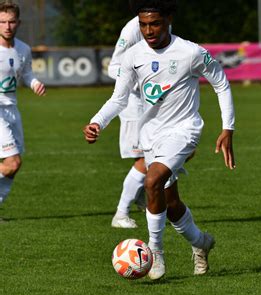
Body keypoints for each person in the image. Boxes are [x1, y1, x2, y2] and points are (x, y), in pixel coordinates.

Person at [83, 0, 235, 280]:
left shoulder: (190, 52)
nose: (148, 30)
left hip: (184, 130)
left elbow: (221, 83)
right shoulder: (133, 56)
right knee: (170, 202)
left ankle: (155, 253)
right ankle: (201, 243)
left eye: (154, 23)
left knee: (151, 180)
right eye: (143, 24)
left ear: (168, 20)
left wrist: (228, 128)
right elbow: (119, 98)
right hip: (151, 135)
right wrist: (97, 122)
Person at [0, 1, 46, 216]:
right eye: (2, 22)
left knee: (14, 166)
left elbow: (26, 73)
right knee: (12, 161)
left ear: (18, 22)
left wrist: (34, 83)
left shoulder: (23, 49)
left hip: (12, 110)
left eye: (11, 21)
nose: (7, 26)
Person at [107, 15, 148, 229]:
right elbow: (113, 67)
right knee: (145, 159)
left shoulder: (163, 19)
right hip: (134, 105)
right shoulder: (133, 28)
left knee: (153, 156)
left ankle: (141, 196)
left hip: (151, 103)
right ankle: (121, 213)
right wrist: (137, 80)